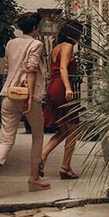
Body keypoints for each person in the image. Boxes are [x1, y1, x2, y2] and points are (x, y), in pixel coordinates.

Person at [0, 11, 48, 199]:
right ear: (35, 27)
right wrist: (29, 97)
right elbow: (31, 70)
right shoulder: (36, 44)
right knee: (37, 135)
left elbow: (8, 69)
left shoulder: (10, 43)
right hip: (26, 95)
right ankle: (34, 178)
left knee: (6, 139)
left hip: (8, 94)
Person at [40, 20, 83, 180]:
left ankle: (42, 158)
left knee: (64, 130)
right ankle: (65, 167)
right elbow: (64, 68)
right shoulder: (68, 47)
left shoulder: (56, 48)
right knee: (74, 128)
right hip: (62, 89)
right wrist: (68, 88)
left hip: (53, 87)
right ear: (74, 33)